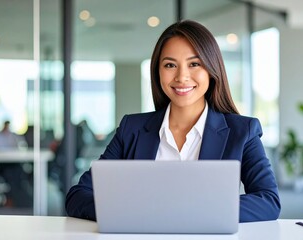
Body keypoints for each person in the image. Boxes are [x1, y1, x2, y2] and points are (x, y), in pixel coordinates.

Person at [65, 20, 281, 222]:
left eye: (194, 64)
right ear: (158, 71)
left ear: (211, 70)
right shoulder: (132, 129)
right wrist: (128, 210)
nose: (182, 76)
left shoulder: (242, 131)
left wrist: (188, 210)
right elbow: (78, 196)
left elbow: (268, 200)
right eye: (170, 65)